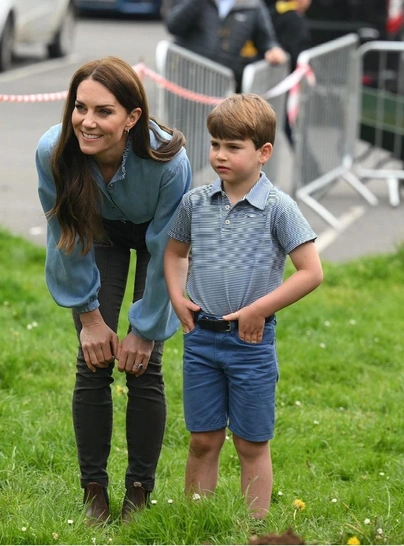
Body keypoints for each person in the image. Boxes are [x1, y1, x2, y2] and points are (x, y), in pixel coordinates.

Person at [35, 56, 192, 525]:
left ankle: (139, 494)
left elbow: (170, 249)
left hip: (155, 239)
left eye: (104, 111)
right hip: (95, 232)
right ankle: (94, 493)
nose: (87, 121)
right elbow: (65, 236)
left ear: (132, 118)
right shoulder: (53, 151)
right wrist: (89, 318)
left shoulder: (168, 161)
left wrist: (145, 330)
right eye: (80, 108)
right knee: (93, 358)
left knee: (146, 365)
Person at [163, 93, 323, 519]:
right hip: (201, 341)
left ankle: (255, 528)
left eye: (233, 147)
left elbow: (311, 271)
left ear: (263, 152)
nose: (220, 155)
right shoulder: (195, 203)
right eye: (215, 144)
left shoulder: (278, 208)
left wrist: (258, 309)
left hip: (251, 345)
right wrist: (178, 297)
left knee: (251, 443)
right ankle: (198, 522)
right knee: (202, 439)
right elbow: (175, 253)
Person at [166, 0, 288, 91]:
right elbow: (173, 26)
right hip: (186, 80)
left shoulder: (253, 5)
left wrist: (272, 49)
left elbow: (266, 39)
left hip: (224, 84)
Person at [265, 0, 313, 145]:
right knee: (288, 127)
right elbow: (296, 52)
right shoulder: (294, 20)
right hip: (286, 84)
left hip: (274, 81)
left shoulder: (273, 11)